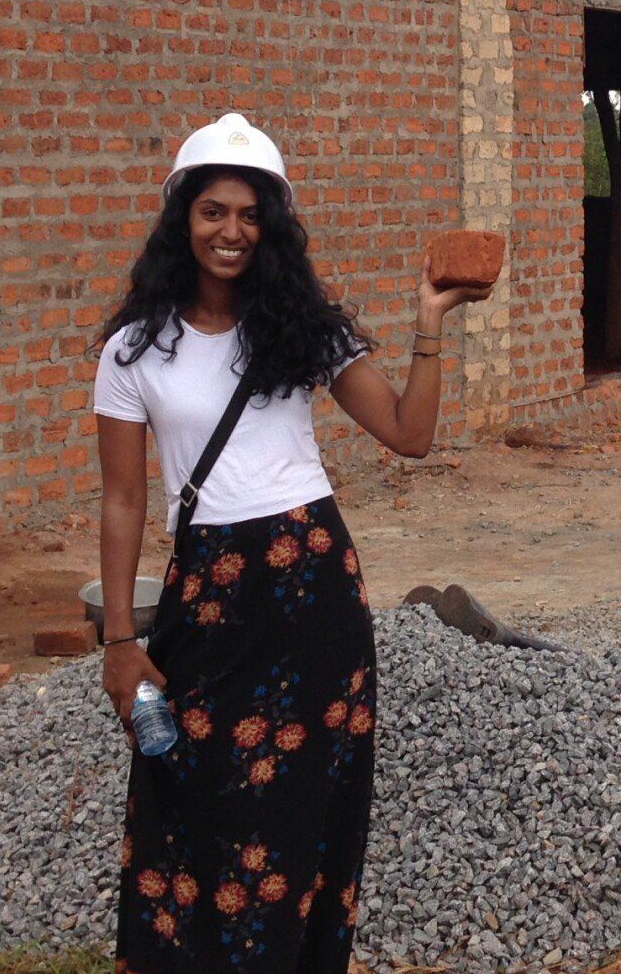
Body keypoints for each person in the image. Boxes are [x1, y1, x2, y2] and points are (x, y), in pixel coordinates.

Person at [91, 111, 492, 972]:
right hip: (205, 593)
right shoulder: (132, 350)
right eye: (213, 212)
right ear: (181, 219)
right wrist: (120, 641)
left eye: (249, 215)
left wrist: (429, 321)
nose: (231, 231)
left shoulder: (303, 326)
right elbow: (123, 500)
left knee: (306, 818)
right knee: (185, 800)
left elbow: (408, 434)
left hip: (312, 591)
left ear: (270, 227)